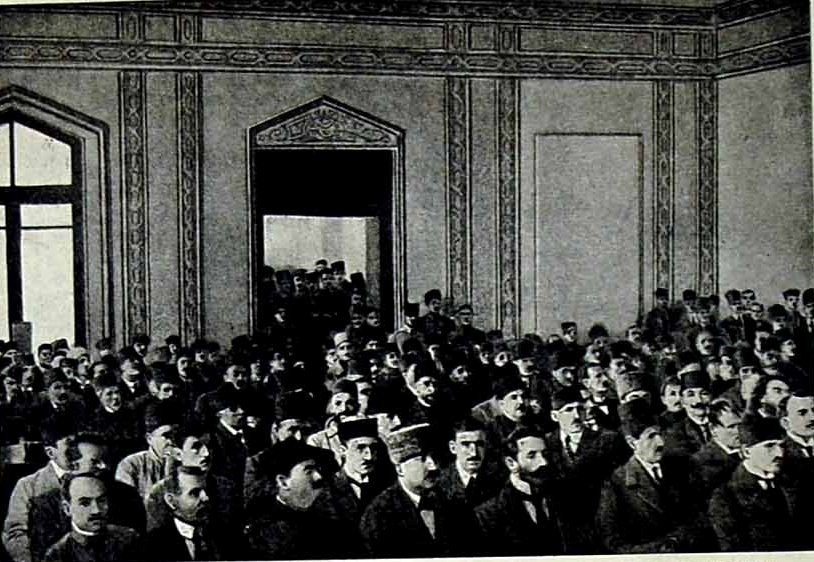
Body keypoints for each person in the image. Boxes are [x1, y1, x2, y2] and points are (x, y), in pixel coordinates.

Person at [597, 399, 710, 553]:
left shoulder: (682, 467)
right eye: (651, 436)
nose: (661, 442)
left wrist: (679, 539)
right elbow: (613, 541)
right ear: (632, 443)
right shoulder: (616, 483)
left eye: (660, 433)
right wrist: (659, 549)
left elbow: (702, 516)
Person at [359, 423, 479, 558]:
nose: (433, 467)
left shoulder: (456, 504)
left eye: (434, 458)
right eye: (422, 459)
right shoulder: (379, 515)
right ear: (400, 468)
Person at [544, 387, 629, 553]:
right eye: (568, 410)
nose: (576, 416)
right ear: (554, 416)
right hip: (564, 529)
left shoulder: (607, 441)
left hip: (600, 523)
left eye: (580, 409)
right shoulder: (546, 444)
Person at [708, 415, 811, 551]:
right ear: (746, 451)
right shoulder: (726, 496)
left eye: (781, 445)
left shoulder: (795, 482)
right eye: (769, 446)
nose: (779, 453)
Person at [245, 439, 358, 560]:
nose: (318, 476)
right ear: (283, 482)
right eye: (309, 471)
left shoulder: (334, 520)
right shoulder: (263, 531)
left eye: (318, 469)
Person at [475, 425, 566, 556]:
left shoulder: (564, 497)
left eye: (545, 454)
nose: (544, 462)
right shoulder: (488, 513)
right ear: (511, 463)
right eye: (532, 455)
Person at [3, 423, 76, 562]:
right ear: (50, 453)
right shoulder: (28, 485)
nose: (77, 452)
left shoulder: (92, 480)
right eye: (70, 446)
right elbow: (14, 532)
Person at [43, 473, 140, 562]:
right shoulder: (57, 554)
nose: (96, 510)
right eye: (85, 503)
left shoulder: (129, 539)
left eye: (101, 501)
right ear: (67, 509)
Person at [143, 467, 230, 561]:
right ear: (171, 501)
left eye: (207, 491)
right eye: (194, 493)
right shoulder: (153, 545)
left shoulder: (225, 535)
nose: (205, 498)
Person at [315, 417, 391, 523]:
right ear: (343, 450)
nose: (369, 457)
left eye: (373, 448)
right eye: (360, 448)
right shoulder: (326, 490)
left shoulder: (386, 484)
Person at [115, 401, 180, 500]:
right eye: (166, 436)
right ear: (149, 439)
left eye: (175, 435)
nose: (171, 441)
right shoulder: (130, 465)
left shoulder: (184, 462)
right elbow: (127, 503)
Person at [437, 417, 502, 508]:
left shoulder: (500, 479)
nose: (474, 453)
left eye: (479, 444)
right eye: (466, 444)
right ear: (453, 448)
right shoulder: (439, 484)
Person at [690, 399, 743, 498]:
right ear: (713, 429)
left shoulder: (748, 452)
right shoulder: (702, 462)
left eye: (740, 425)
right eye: (731, 427)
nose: (738, 432)